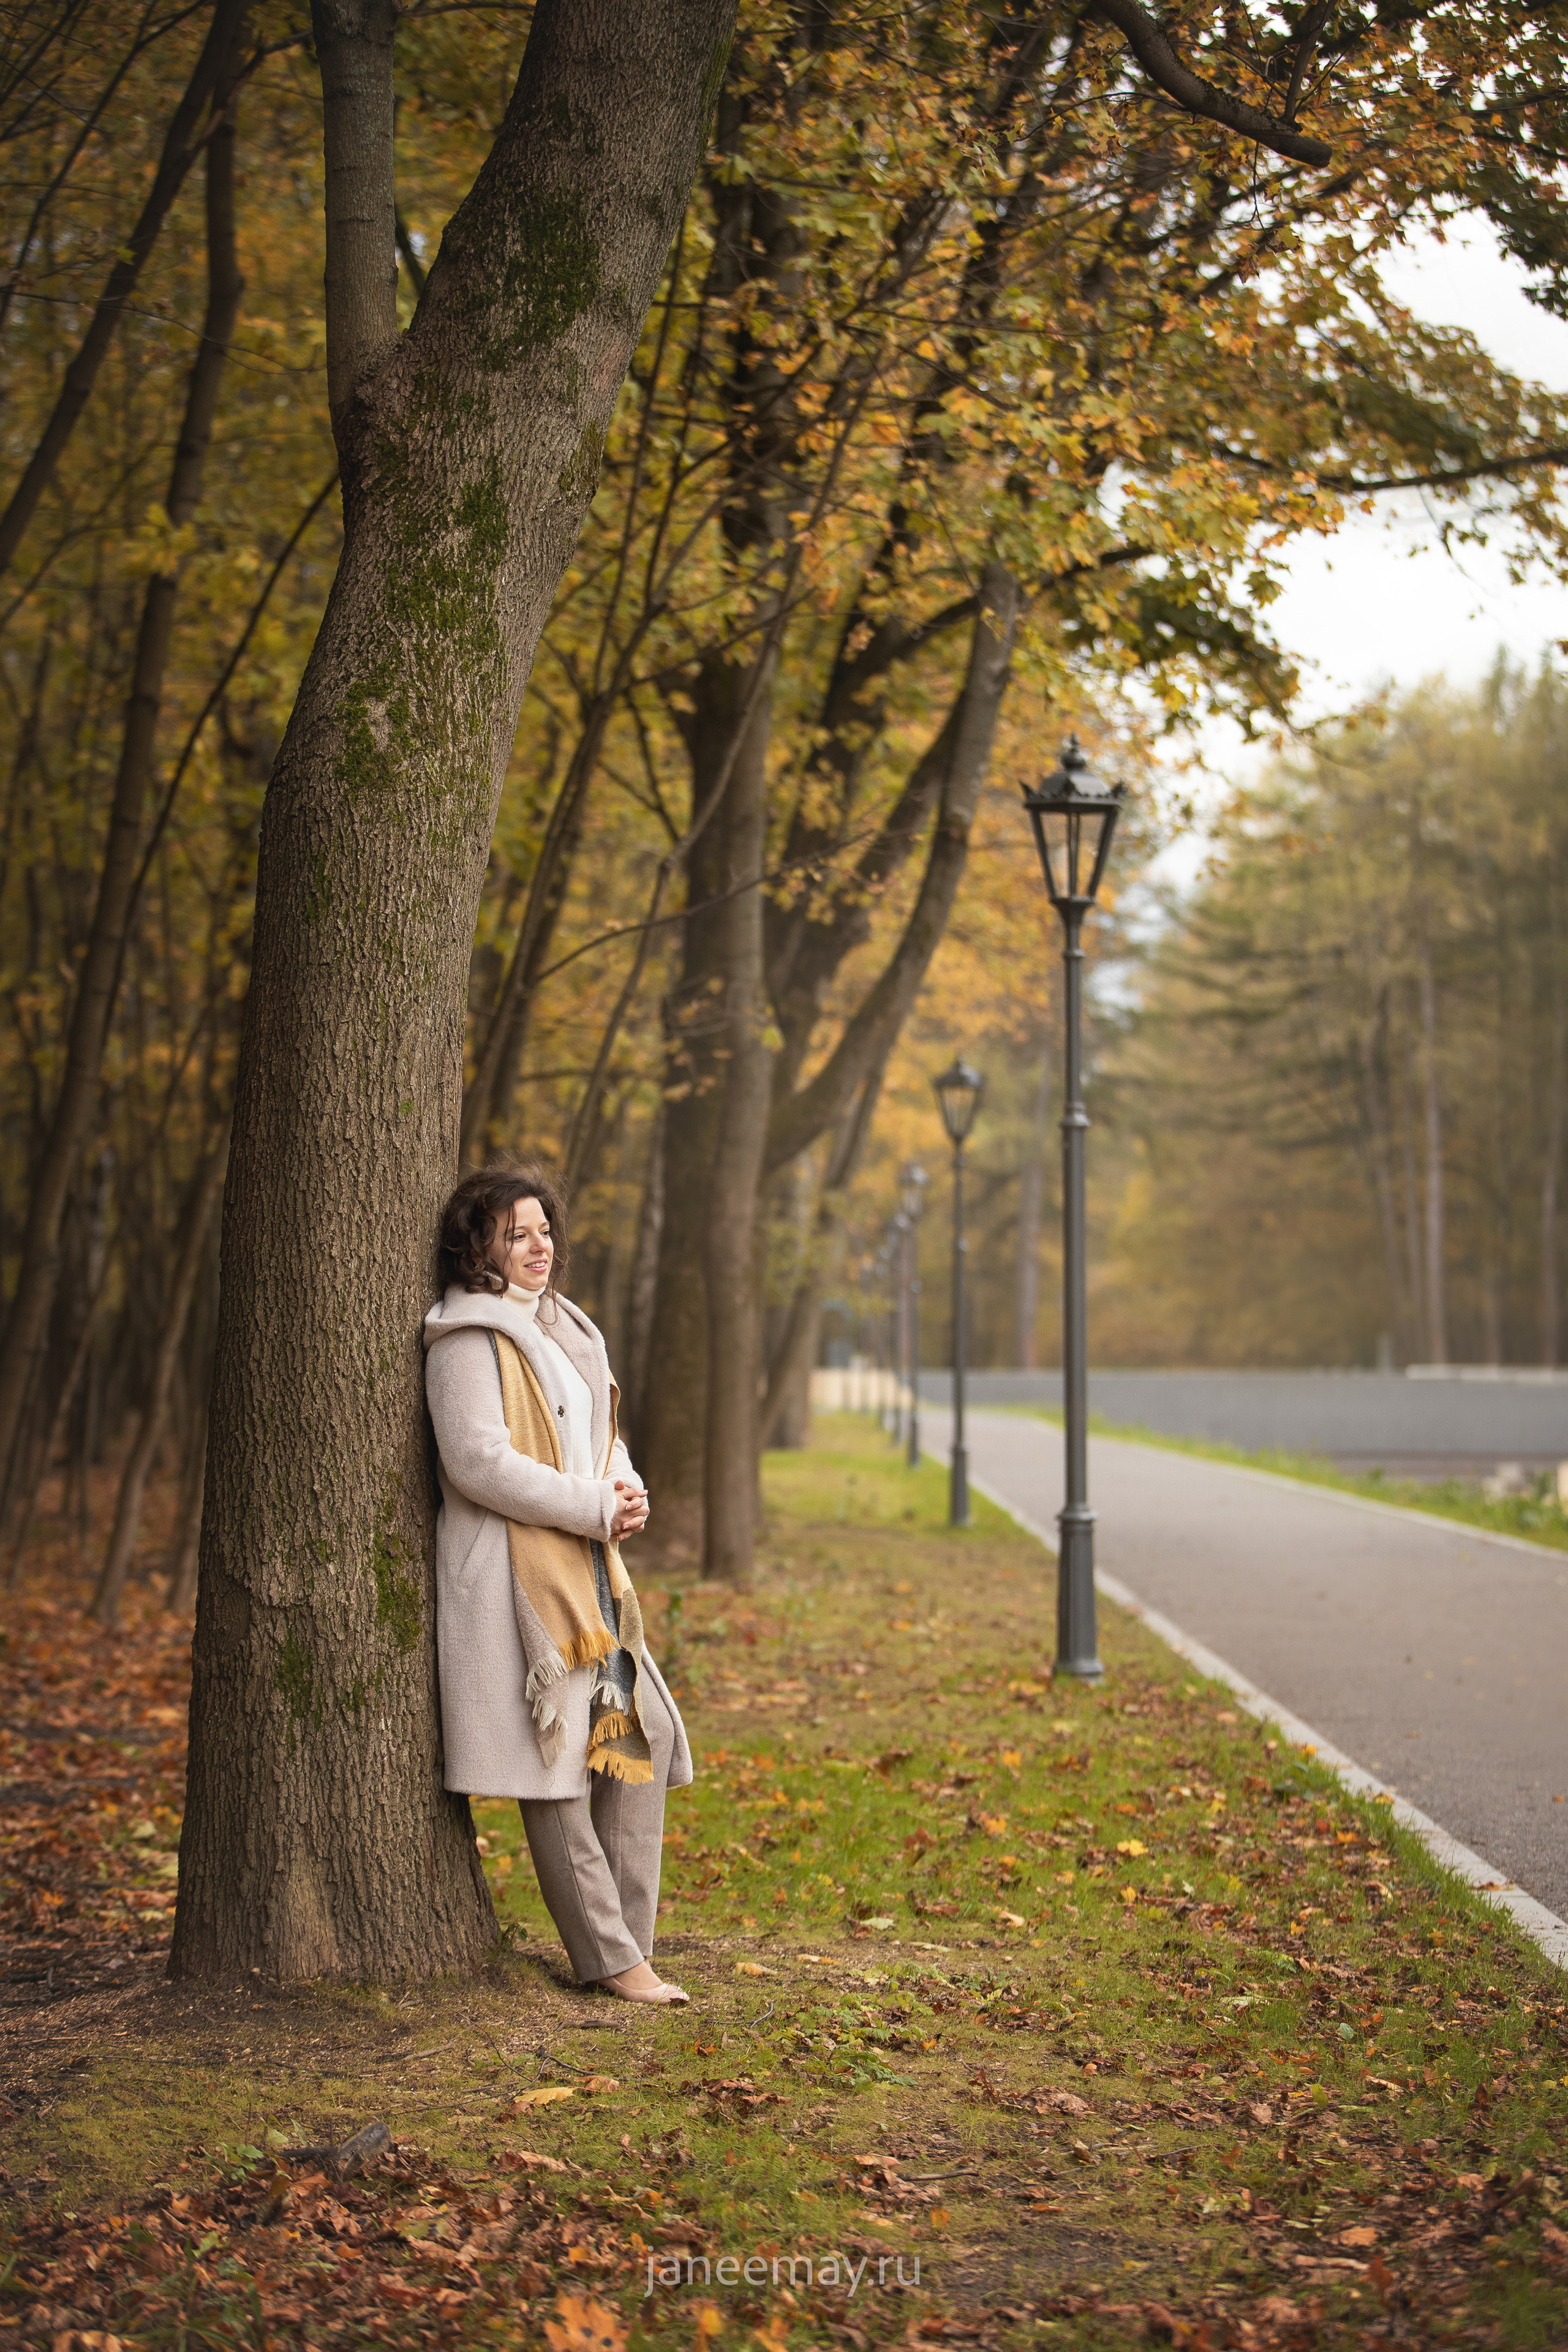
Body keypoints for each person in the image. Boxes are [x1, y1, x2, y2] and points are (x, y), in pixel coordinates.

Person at [423, 1161, 691, 2004]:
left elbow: (601, 1431)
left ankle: (628, 1946)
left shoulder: (568, 1325)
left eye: (544, 1230)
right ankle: (610, 1959)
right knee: (557, 1769)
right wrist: (590, 1507)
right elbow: (478, 1465)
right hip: (514, 1580)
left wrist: (626, 1487)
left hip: (585, 1570)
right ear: (479, 1248)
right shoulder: (465, 1337)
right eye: (516, 1233)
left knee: (634, 1734)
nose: (539, 1246)